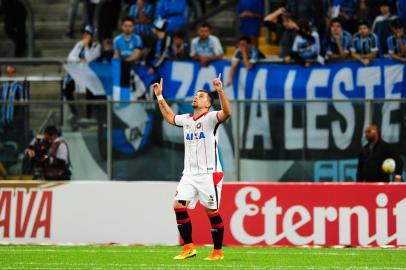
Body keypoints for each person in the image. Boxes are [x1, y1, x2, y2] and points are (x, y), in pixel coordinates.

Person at [152, 74, 231, 260]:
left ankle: (217, 251)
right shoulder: (187, 119)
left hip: (208, 174)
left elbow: (227, 113)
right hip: (189, 174)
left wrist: (219, 90)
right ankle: (188, 247)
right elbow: (170, 117)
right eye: (196, 95)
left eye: (202, 96)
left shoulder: (211, 118)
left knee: (211, 211)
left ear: (207, 105)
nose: (197, 97)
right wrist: (159, 97)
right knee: (178, 205)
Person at [63, 25, 101, 123]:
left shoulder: (97, 46)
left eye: (87, 33)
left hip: (90, 75)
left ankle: (88, 117)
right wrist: (79, 60)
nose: (85, 35)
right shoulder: (79, 44)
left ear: (92, 36)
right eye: (84, 33)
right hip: (77, 73)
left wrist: (87, 47)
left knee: (90, 91)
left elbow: (89, 58)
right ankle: (75, 113)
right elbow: (70, 57)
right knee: (67, 90)